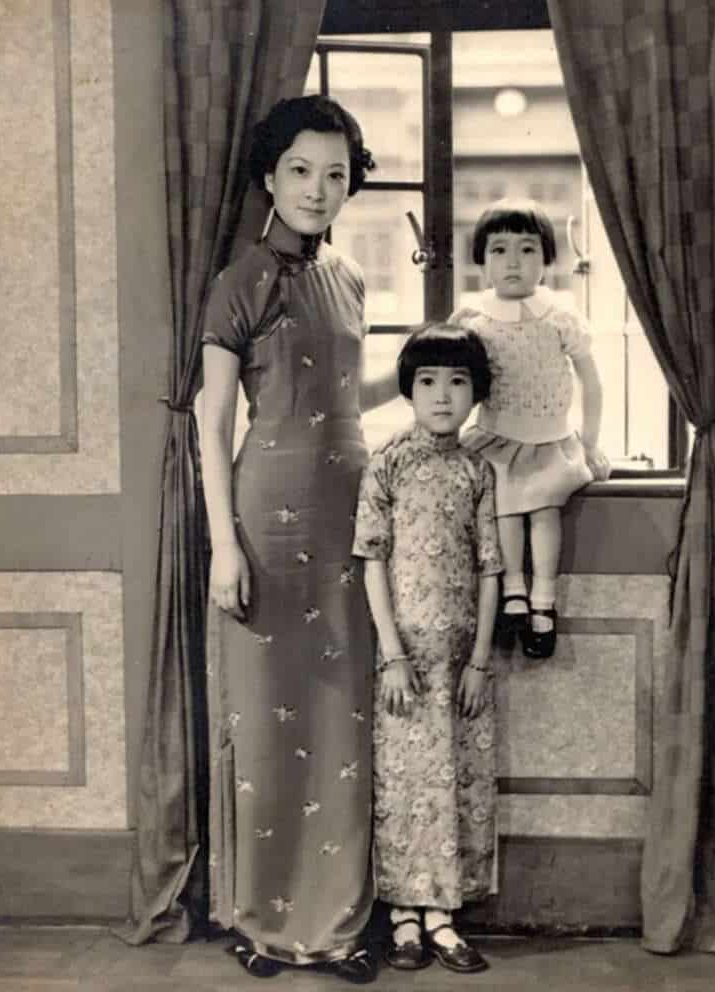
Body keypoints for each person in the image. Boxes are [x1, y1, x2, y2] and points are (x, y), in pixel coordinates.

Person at [200, 95, 398, 983]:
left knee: (341, 718)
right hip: (265, 521)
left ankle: (339, 925)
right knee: (267, 722)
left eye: (336, 172)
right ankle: (261, 922)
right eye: (301, 171)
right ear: (268, 179)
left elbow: (351, 399)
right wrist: (223, 546)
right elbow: (209, 428)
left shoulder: (350, 279)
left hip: (349, 517)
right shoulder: (240, 280)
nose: (320, 189)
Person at [352, 324, 503, 975]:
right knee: (402, 786)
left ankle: (443, 918)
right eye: (428, 381)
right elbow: (371, 563)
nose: (442, 395)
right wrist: (391, 654)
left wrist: (478, 662)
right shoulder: (386, 463)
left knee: (454, 784)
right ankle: (403, 918)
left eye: (458, 381)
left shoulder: (478, 470)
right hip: (402, 661)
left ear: (475, 393)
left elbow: (491, 569)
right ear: (409, 391)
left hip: (459, 662)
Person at [450, 198, 610, 660]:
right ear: (482, 259)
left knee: (543, 510)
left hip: (550, 439)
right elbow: (455, 382)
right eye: (500, 250)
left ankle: (544, 600)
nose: (514, 262)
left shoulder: (559, 317)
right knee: (502, 506)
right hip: (496, 437)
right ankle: (513, 590)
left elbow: (592, 383)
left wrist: (592, 443)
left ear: (546, 259)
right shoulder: (473, 320)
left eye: (527, 249)